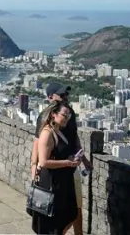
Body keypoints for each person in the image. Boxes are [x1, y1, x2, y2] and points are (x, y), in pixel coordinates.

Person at [31, 83, 92, 235]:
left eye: (66, 95)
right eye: (62, 95)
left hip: (69, 169)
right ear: (50, 97)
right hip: (55, 173)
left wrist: (83, 159)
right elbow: (37, 145)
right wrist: (34, 167)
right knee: (58, 214)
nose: (66, 97)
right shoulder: (44, 119)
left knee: (74, 210)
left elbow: (74, 139)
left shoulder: (68, 114)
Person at [32, 100, 80, 234]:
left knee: (68, 216)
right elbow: (43, 162)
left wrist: (74, 158)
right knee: (52, 224)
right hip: (52, 184)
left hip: (62, 182)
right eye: (64, 115)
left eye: (68, 116)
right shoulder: (47, 133)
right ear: (54, 114)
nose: (67, 118)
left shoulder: (59, 131)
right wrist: (67, 163)